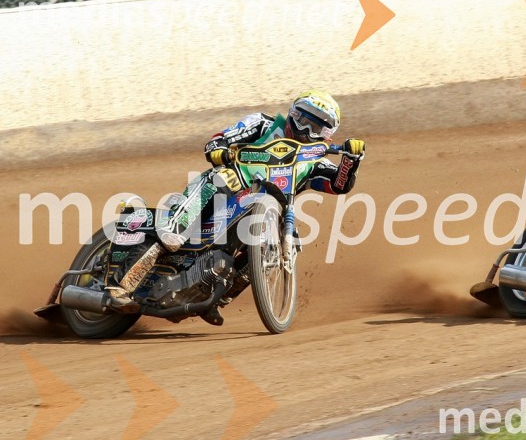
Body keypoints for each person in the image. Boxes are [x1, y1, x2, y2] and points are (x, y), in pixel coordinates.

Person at [106, 90, 366, 324]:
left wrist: (351, 160)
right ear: (292, 113)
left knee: (273, 249)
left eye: (316, 126)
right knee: (175, 233)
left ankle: (213, 298)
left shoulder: (315, 159)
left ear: (327, 134)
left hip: (264, 211)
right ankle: (118, 286)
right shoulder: (264, 124)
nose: (306, 129)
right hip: (225, 186)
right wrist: (220, 150)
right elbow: (219, 140)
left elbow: (338, 184)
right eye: (303, 118)